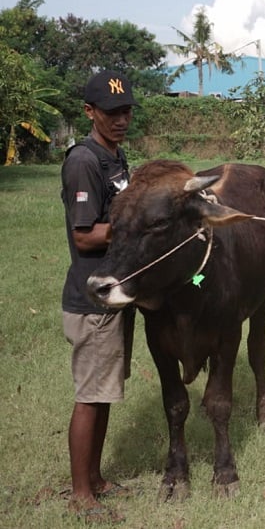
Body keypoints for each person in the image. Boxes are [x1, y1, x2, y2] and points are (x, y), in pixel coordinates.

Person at [60, 70, 139, 523]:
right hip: (93, 300)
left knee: (106, 392)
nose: (121, 120)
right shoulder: (84, 161)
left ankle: (97, 479)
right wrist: (144, 225)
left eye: (126, 111)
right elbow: (87, 236)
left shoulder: (115, 156)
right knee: (90, 396)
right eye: (111, 113)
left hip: (115, 295)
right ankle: (81, 495)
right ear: (90, 113)